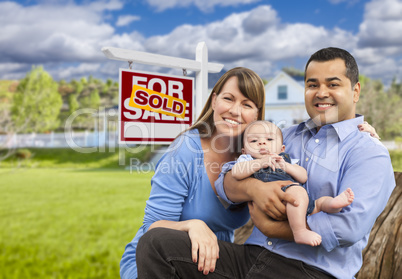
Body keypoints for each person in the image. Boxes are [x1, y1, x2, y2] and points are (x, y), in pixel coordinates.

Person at [136, 47, 395, 279]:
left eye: (333, 84)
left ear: (356, 91)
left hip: (309, 271)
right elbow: (225, 183)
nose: (321, 93)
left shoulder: (368, 152)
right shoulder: (284, 136)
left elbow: (347, 229)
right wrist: (253, 189)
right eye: (312, 84)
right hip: (248, 258)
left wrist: (272, 227)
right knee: (157, 243)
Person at [120, 67, 279, 279]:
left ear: (257, 114)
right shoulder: (185, 149)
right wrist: (192, 225)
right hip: (158, 260)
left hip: (211, 259)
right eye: (228, 98)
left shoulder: (254, 157)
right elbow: (152, 228)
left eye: (247, 104)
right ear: (214, 101)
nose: (235, 111)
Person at [232, 120, 354, 247]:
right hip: (278, 200)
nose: (262, 143)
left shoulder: (284, 160)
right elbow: (236, 172)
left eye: (269, 139)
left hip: (298, 203)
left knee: (319, 203)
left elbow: (303, 176)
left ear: (281, 149)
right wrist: (261, 163)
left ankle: (333, 204)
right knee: (298, 191)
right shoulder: (247, 160)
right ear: (244, 151)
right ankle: (299, 231)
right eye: (253, 141)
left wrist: (286, 166)